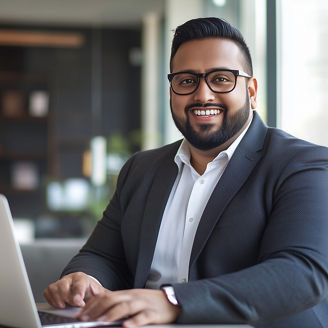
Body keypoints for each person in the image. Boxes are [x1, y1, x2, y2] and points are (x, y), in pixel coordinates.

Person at [44, 17, 328, 328]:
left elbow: (302, 273)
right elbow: (103, 255)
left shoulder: (304, 164)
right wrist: (83, 277)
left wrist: (172, 301)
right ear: (172, 91)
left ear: (252, 91)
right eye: (187, 80)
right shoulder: (140, 170)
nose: (203, 95)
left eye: (221, 79)